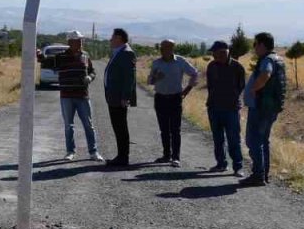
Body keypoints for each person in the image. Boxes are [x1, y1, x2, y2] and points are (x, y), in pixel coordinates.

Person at [37, 31, 103, 162]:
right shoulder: (61, 57)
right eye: (77, 40)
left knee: (88, 125)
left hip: (83, 96)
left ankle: (93, 152)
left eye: (81, 40)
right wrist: (39, 55)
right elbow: (46, 61)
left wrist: (90, 77)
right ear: (70, 42)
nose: (80, 43)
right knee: (69, 125)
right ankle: (70, 152)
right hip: (66, 96)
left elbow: (92, 71)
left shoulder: (85, 55)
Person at [241, 32, 287, 186]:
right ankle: (263, 174)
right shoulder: (278, 59)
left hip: (260, 107)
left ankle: (258, 175)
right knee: (263, 141)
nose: (254, 48)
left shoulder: (267, 60)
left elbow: (266, 74)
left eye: (255, 44)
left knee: (253, 141)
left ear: (261, 45)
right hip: (270, 108)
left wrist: (254, 88)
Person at [147, 39, 198, 167]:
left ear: (172, 48)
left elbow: (194, 73)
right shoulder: (156, 63)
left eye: (166, 47)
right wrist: (155, 78)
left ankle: (176, 157)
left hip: (175, 99)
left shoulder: (180, 61)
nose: (162, 50)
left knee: (175, 129)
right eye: (162, 47)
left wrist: (187, 90)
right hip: (160, 98)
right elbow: (149, 81)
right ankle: (166, 155)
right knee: (164, 129)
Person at [204, 40, 246, 176]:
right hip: (214, 108)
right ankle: (221, 164)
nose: (213, 55)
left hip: (231, 109)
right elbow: (210, 86)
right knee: (218, 139)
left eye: (215, 52)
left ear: (224, 52)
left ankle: (238, 167)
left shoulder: (237, 67)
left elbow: (241, 86)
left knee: (234, 139)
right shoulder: (211, 66)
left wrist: (230, 98)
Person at [102, 28, 137, 167]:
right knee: (118, 127)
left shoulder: (127, 53)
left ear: (119, 38)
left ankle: (123, 157)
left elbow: (129, 78)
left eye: (112, 37)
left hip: (119, 98)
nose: (110, 40)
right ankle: (121, 156)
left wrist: (125, 97)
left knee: (121, 127)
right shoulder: (119, 52)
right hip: (114, 97)